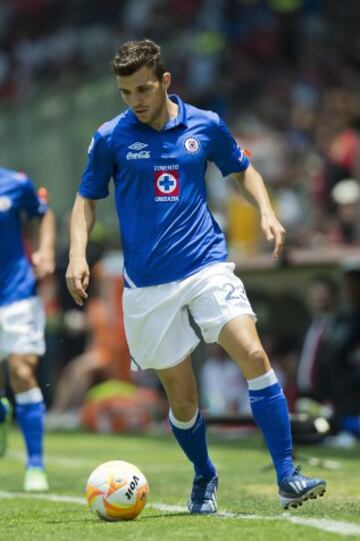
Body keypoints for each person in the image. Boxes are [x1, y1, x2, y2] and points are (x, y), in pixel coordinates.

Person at [66, 39, 326, 513]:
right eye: (125, 93)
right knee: (183, 402)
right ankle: (205, 474)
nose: (135, 101)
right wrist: (76, 255)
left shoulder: (206, 125)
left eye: (143, 89)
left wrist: (266, 211)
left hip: (206, 264)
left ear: (165, 81)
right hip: (148, 287)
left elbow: (242, 170)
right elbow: (86, 199)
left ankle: (288, 475)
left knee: (252, 352)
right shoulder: (110, 137)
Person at [0, 166, 55, 491]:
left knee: (21, 370)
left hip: (18, 293)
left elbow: (43, 212)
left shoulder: (16, 183)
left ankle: (35, 464)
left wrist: (45, 251)